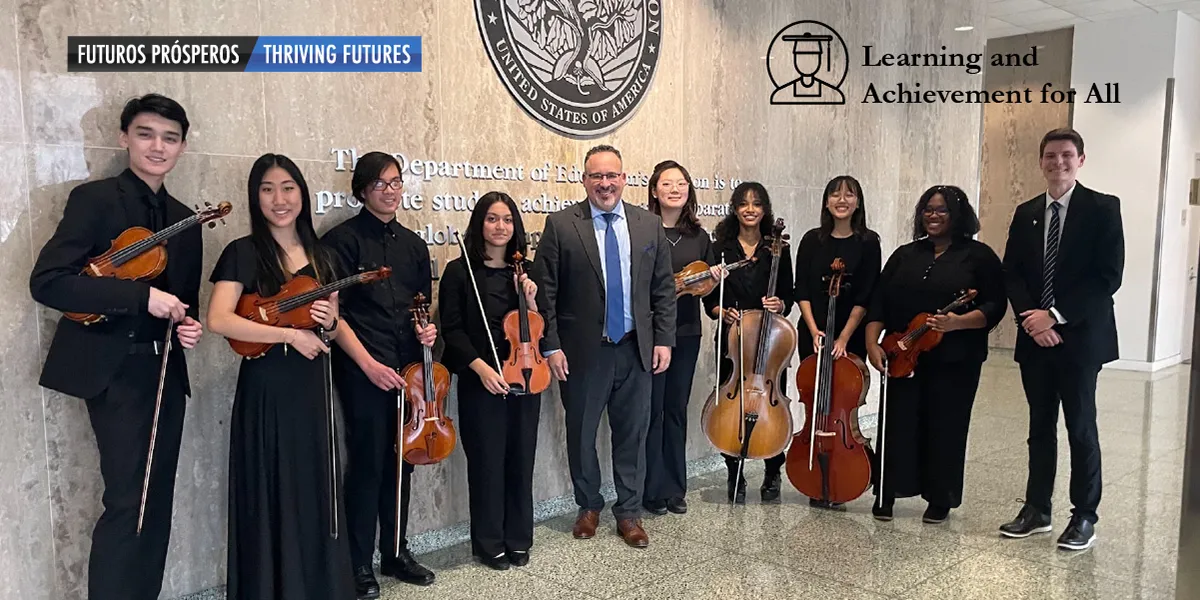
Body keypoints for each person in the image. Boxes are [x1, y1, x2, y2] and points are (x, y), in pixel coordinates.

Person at [29, 93, 203, 600]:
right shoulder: (96, 199)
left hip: (166, 373)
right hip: (114, 369)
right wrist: (140, 296)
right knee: (128, 499)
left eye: (170, 138)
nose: (158, 146)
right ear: (125, 137)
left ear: (183, 148)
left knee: (155, 501)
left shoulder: (187, 219)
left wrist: (185, 328)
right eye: (146, 134)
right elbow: (50, 282)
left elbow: (182, 303)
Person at [206, 153, 355, 599]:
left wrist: (328, 322)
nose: (279, 198)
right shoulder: (243, 252)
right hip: (267, 389)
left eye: (288, 187)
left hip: (312, 390)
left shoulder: (323, 256)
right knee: (270, 490)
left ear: (302, 194)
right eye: (268, 189)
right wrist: (288, 336)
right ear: (256, 197)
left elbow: (332, 324)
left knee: (315, 489)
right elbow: (219, 319)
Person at [532, 144, 676, 548]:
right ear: (584, 180)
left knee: (632, 434)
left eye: (612, 175)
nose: (605, 183)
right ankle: (588, 505)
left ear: (624, 179)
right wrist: (551, 346)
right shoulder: (562, 225)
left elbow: (662, 289)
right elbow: (546, 292)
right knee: (581, 434)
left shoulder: (648, 225)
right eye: (597, 176)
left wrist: (663, 339)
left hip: (636, 350)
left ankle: (629, 513)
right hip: (582, 353)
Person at [999, 128, 1124, 551]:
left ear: (1081, 160)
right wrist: (1032, 320)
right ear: (1041, 162)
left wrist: (1054, 315)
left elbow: (1108, 277)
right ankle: (1037, 510)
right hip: (1035, 339)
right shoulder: (1026, 211)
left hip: (1081, 339)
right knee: (1039, 428)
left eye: (1067, 155)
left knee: (1081, 428)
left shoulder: (1103, 208)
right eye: (1050, 156)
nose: (1058, 163)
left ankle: (1084, 516)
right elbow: (1011, 272)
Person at [321, 151, 438, 598]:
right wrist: (369, 365)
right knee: (368, 465)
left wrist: (427, 331)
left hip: (408, 372)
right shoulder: (340, 241)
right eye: (380, 184)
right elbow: (335, 316)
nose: (390, 191)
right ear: (362, 190)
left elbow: (421, 307)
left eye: (396, 182)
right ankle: (358, 563)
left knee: (402, 464)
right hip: (363, 372)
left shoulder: (413, 245)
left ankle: (395, 552)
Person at [864, 185, 1006, 524]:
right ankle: (888, 491)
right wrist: (872, 343)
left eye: (942, 210)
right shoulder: (905, 255)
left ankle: (940, 497)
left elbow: (995, 305)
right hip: (902, 355)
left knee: (947, 426)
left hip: (956, 360)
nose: (933, 215)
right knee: (897, 424)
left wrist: (958, 323)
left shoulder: (979, 256)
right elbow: (879, 301)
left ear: (958, 215)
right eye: (928, 209)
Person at [438, 192, 550, 569]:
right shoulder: (460, 270)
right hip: (480, 381)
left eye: (506, 220)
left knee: (521, 459)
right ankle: (488, 542)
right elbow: (451, 330)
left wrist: (531, 300)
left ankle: (519, 538)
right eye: (491, 219)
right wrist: (482, 369)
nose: (500, 227)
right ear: (479, 224)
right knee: (486, 463)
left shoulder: (527, 271)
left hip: (526, 376)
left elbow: (540, 327)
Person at [702, 181, 794, 504]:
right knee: (733, 406)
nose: (750, 209)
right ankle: (734, 471)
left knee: (772, 401)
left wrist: (780, 305)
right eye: (743, 203)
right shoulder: (721, 247)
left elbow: (789, 292)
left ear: (765, 209)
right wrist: (719, 310)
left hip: (771, 342)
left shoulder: (777, 248)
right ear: (735, 208)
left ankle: (773, 469)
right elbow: (710, 297)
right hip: (734, 338)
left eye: (756, 204)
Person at [793, 175, 881, 510]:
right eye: (834, 194)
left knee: (843, 400)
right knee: (817, 401)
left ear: (858, 202)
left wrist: (843, 337)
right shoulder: (812, 240)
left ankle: (844, 470)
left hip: (850, 334)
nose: (841, 199)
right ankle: (814, 476)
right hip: (814, 333)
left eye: (849, 194)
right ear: (826, 201)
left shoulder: (868, 242)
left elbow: (866, 293)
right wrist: (815, 330)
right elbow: (802, 290)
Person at [642, 160, 721, 517]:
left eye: (682, 184)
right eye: (667, 183)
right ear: (655, 190)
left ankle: (674, 488)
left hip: (686, 333)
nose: (675, 189)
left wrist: (712, 283)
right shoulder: (643, 230)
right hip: (649, 332)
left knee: (675, 411)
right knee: (651, 412)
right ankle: (650, 489)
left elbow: (705, 294)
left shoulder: (700, 238)